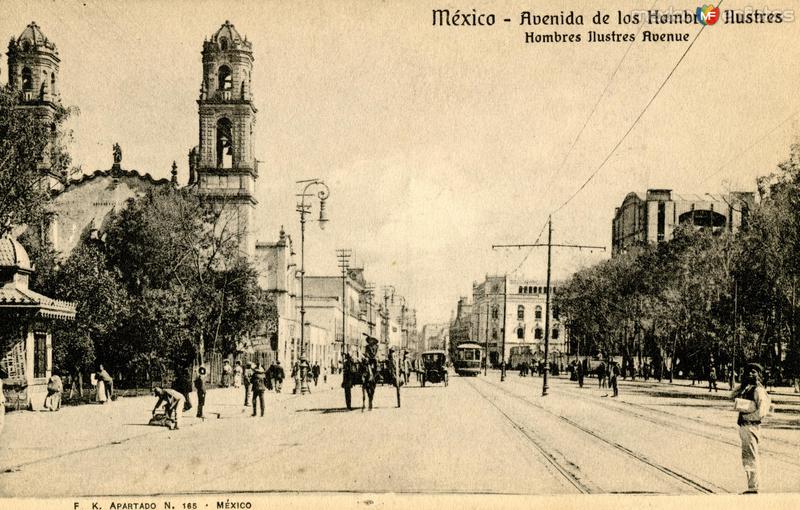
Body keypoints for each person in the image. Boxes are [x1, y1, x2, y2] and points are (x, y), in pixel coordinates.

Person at [732, 362, 771, 494]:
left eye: (754, 372)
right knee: (747, 455)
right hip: (745, 426)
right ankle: (752, 486)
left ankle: (754, 487)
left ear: (759, 375)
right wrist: (742, 385)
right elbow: (731, 396)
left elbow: (762, 411)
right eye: (748, 372)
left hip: (751, 426)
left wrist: (748, 418)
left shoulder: (758, 390)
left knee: (751, 456)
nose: (750, 374)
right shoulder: (747, 388)